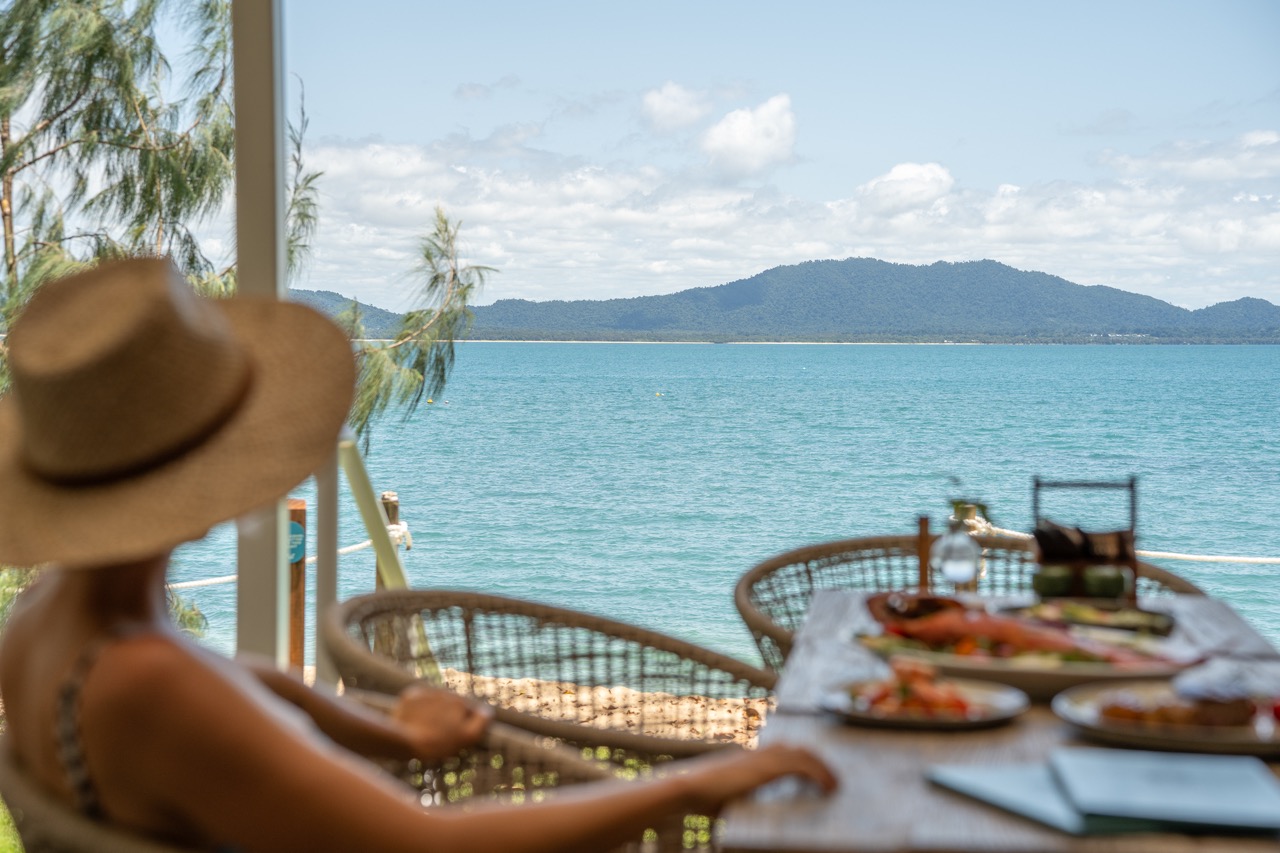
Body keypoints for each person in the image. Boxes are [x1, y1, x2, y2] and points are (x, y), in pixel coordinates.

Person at [0, 259, 836, 852]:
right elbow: (427, 842)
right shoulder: (152, 687)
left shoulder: (44, 621)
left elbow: (224, 678)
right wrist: (695, 784)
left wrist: (371, 727)